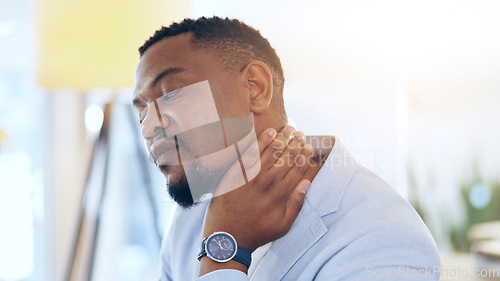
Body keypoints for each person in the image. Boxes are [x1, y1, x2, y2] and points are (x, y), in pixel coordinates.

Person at [133, 16, 441, 281]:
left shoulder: (387, 243)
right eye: (141, 112)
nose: (147, 128)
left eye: (170, 94)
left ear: (255, 87)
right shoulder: (192, 213)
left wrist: (224, 250)